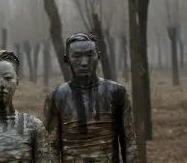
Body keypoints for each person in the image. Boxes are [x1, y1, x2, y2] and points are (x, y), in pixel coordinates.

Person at [43, 32, 139, 162]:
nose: (84, 62)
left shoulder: (117, 93)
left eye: (89, 55)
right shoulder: (57, 97)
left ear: (98, 56)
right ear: (67, 60)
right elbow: (51, 148)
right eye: (77, 56)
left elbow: (129, 143)